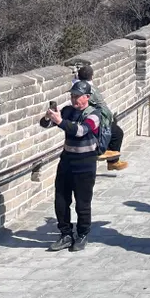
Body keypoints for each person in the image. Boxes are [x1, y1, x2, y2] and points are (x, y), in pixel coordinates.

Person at [42, 80, 102, 252]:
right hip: (67, 161)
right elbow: (45, 125)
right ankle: (65, 234)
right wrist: (49, 117)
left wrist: (60, 121)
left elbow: (80, 131)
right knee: (61, 199)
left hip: (85, 163)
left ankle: (82, 234)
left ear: (87, 97)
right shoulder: (68, 110)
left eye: (77, 96)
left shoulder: (94, 115)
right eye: (72, 96)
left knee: (82, 203)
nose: (74, 100)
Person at [74, 63, 127, 173]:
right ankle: (111, 160)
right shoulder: (89, 88)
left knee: (114, 131)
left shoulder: (77, 85)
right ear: (92, 76)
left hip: (90, 117)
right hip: (95, 118)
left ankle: (110, 157)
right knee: (117, 133)